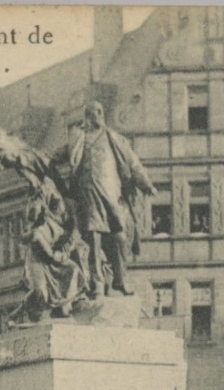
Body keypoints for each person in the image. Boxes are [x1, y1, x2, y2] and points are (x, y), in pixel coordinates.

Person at [52, 101, 157, 298]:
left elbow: (133, 163)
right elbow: (58, 155)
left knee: (119, 237)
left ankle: (120, 279)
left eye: (100, 111)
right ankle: (97, 282)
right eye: (94, 112)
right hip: (88, 196)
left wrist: (146, 184)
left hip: (111, 196)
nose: (98, 114)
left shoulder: (114, 138)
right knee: (94, 239)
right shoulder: (79, 140)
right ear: (87, 116)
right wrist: (47, 163)